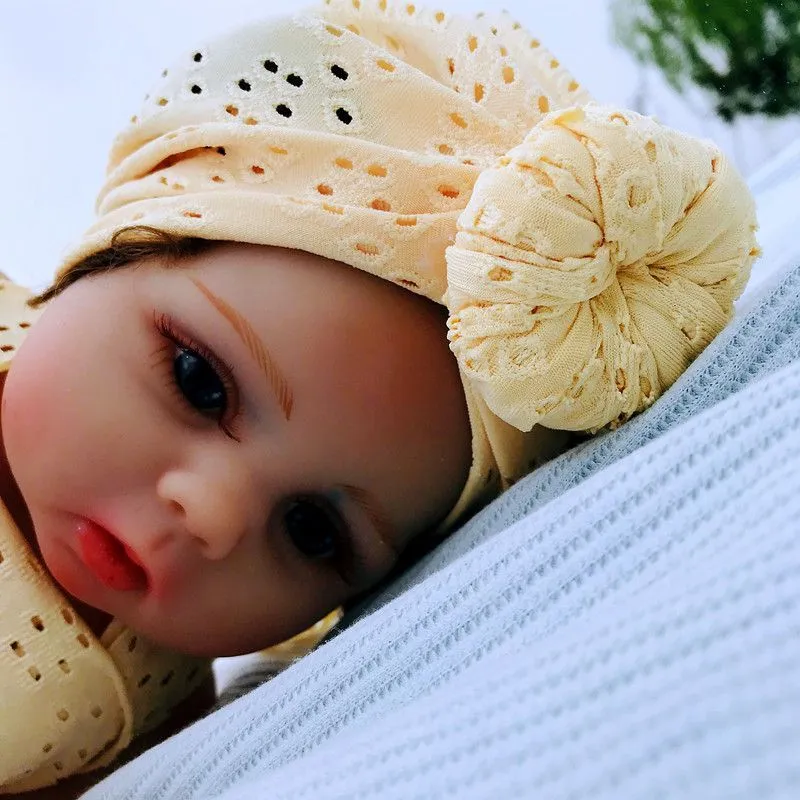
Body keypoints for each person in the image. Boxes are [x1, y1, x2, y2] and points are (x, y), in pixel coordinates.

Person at [0, 0, 758, 793]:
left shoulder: (158, 727)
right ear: (119, 247)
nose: (214, 515)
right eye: (200, 382)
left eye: (314, 532)